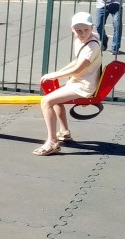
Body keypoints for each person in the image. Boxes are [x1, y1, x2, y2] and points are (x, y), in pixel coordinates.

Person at [34, 12, 103, 156]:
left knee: (46, 101)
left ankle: (52, 142)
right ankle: (64, 133)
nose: (82, 33)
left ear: (92, 28)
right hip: (79, 81)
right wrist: (59, 72)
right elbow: (77, 62)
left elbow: (79, 68)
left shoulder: (91, 47)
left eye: (86, 30)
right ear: (72, 29)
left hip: (84, 85)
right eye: (78, 30)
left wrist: (55, 75)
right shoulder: (80, 41)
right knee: (54, 98)